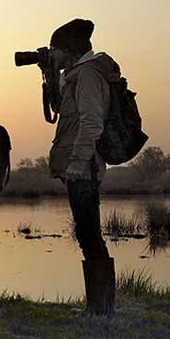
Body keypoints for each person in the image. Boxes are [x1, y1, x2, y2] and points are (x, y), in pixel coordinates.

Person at [47, 19, 121, 316]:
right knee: (86, 230)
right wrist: (50, 79)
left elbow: (91, 121)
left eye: (55, 50)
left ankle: (101, 309)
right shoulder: (76, 76)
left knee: (89, 232)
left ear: (69, 50)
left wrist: (78, 162)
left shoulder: (89, 75)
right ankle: (98, 307)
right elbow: (59, 112)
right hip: (80, 165)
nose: (51, 55)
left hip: (85, 167)